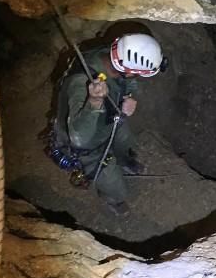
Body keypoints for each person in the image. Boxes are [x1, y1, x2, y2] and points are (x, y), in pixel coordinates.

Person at [51, 32, 167, 216]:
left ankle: (125, 161)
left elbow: (128, 82)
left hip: (110, 117)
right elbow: (79, 138)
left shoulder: (112, 55)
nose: (136, 77)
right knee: (115, 187)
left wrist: (127, 97)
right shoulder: (80, 83)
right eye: (137, 74)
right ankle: (113, 200)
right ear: (128, 70)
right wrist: (94, 101)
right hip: (88, 141)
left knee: (126, 141)